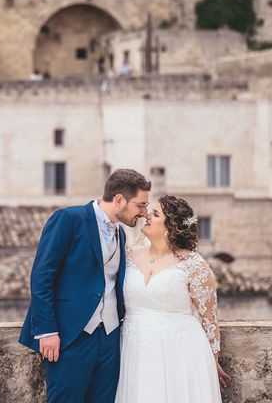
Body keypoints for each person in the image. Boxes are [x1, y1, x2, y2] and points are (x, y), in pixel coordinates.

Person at [19, 169, 151, 402]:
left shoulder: (120, 233)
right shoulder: (69, 219)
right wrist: (46, 331)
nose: (144, 213)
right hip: (71, 335)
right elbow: (42, 276)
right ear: (119, 200)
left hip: (110, 337)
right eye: (140, 205)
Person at [115, 195, 231, 402]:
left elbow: (210, 322)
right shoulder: (127, 256)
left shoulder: (195, 265)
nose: (146, 215)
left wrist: (212, 362)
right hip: (134, 351)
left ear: (172, 226)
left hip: (181, 354)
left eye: (155, 213)